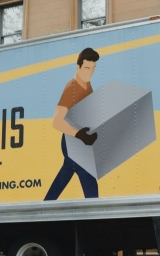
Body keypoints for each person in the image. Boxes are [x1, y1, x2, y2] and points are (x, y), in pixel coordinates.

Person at [44, 47, 100, 200]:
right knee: (88, 176)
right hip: (72, 141)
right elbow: (56, 121)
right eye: (87, 68)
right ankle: (96, 214)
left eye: (93, 68)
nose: (90, 72)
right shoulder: (72, 88)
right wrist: (79, 134)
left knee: (67, 171)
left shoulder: (86, 84)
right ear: (78, 67)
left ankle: (46, 204)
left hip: (81, 139)